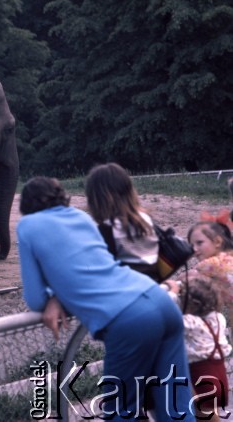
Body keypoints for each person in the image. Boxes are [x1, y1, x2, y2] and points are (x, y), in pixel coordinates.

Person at [17, 176, 194, 421]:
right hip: (159, 299)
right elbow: (95, 266)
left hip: (128, 318)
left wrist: (53, 297)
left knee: (121, 410)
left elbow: (35, 298)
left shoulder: (27, 226)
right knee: (177, 406)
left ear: (26, 204)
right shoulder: (81, 218)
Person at [166, 275, 231, 422]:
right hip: (219, 377)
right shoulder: (218, 317)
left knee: (200, 415)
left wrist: (173, 291)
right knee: (208, 415)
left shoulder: (191, 323)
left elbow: (168, 314)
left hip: (201, 380)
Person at [84, 162, 160, 280]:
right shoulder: (146, 220)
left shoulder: (108, 229)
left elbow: (100, 268)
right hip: (154, 281)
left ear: (96, 200)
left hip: (128, 287)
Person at [187, 211, 233, 328]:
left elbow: (187, 278)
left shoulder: (211, 264)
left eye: (199, 243)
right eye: (192, 245)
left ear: (217, 242)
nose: (195, 249)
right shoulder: (228, 257)